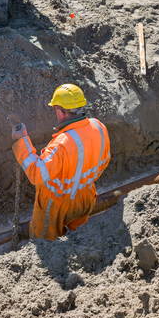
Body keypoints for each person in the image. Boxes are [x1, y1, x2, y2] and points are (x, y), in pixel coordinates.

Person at [11, 84, 111, 240]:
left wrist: (22, 141)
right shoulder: (99, 127)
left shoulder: (61, 144)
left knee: (45, 243)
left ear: (60, 111)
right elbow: (104, 160)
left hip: (56, 204)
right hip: (86, 196)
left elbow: (37, 174)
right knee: (80, 238)